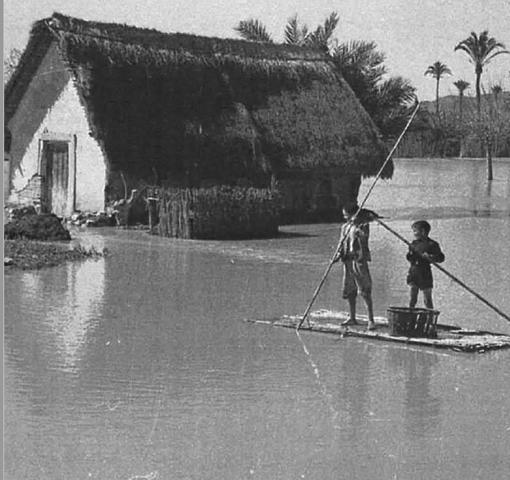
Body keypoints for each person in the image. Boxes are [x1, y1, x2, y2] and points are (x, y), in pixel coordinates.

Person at [334, 203, 376, 330]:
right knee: (350, 290)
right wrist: (336, 255)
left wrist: (358, 230)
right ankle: (352, 318)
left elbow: (364, 237)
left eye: (347, 215)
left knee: (364, 290)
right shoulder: (345, 227)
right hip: (347, 260)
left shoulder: (363, 226)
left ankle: (371, 320)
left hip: (359, 260)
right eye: (344, 215)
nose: (345, 217)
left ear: (354, 215)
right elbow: (341, 243)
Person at [406, 220, 445, 309]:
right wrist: (411, 254)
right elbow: (409, 258)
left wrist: (430, 257)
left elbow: (441, 258)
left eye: (415, 231)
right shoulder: (414, 244)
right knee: (413, 298)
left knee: (427, 299)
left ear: (423, 231)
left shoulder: (432, 244)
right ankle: (410, 316)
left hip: (425, 273)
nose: (414, 234)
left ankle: (430, 319)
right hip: (414, 272)